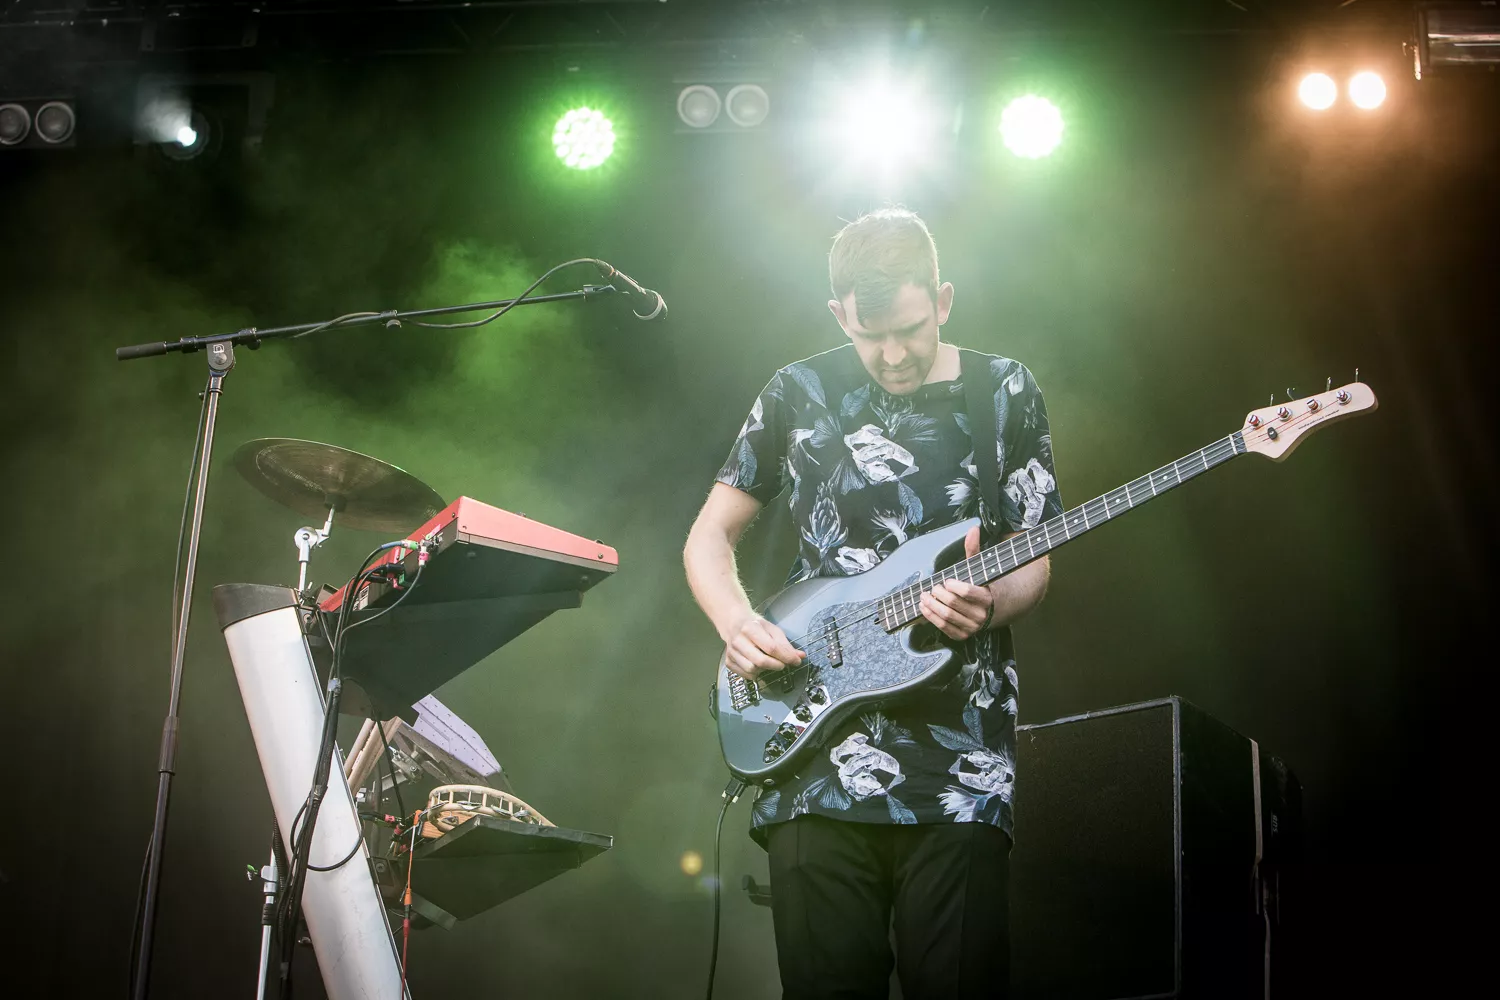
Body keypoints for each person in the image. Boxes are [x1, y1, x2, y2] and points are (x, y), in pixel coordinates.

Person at [683, 208, 1063, 999]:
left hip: (961, 764)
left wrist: (989, 604)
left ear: (943, 300)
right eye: (870, 335)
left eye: (912, 330)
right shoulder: (798, 391)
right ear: (839, 315)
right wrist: (738, 624)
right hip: (811, 754)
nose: (894, 355)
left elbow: (1034, 557)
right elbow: (708, 537)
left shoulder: (1004, 389)